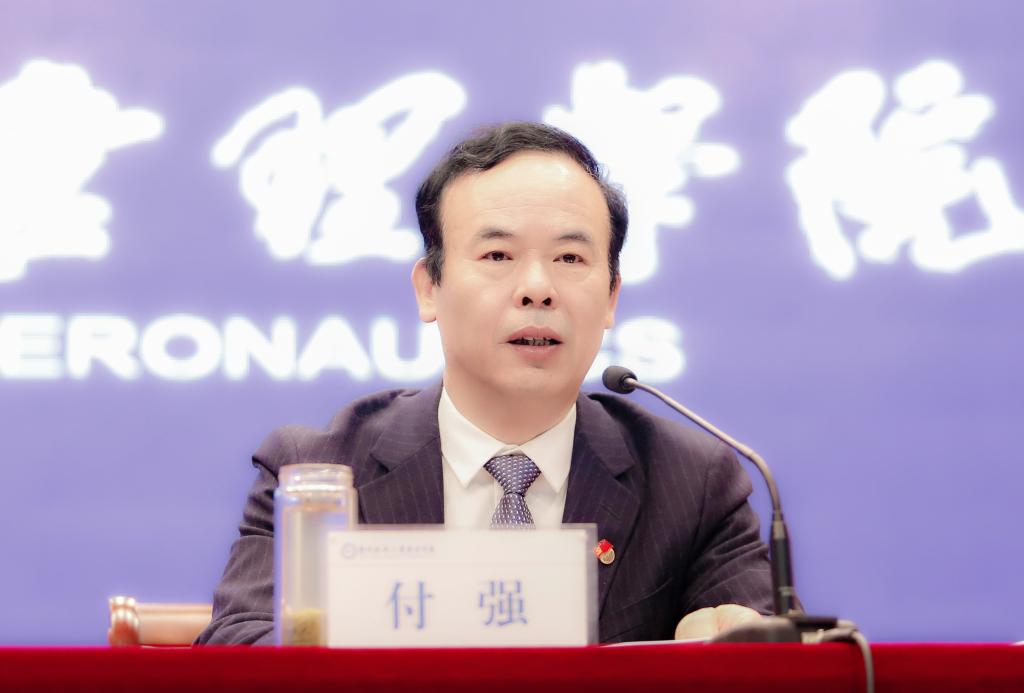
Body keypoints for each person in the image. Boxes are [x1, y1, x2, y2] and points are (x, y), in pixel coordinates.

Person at [197, 122, 772, 645]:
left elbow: (762, 655)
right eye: (498, 254)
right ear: (429, 289)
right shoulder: (319, 474)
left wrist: (716, 643)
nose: (537, 289)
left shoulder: (692, 483)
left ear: (611, 297)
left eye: (570, 259)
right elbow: (239, 647)